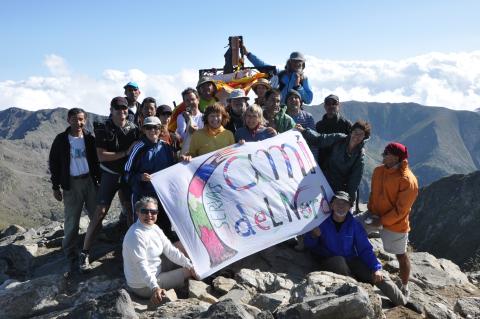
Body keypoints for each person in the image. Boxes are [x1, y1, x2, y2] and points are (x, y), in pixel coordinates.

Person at [304, 191, 408, 307]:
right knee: (339, 261)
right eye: (338, 203)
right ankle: (356, 289)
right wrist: (313, 236)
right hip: (328, 259)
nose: (341, 206)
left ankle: (404, 302)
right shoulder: (321, 222)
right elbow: (310, 246)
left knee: (379, 275)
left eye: (345, 204)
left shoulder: (354, 225)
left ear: (349, 207)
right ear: (332, 205)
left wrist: (376, 268)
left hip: (351, 259)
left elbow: (364, 249)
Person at [80, 97, 140, 271]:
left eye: (125, 108)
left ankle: (132, 251)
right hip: (110, 175)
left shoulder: (133, 128)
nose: (122, 111)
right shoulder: (103, 128)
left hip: (127, 176)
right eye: (118, 108)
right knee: (100, 212)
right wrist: (125, 152)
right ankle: (84, 252)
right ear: (111, 109)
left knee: (130, 211)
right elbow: (101, 156)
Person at [360, 142, 419, 300]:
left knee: (401, 255)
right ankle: (358, 267)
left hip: (395, 223)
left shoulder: (408, 180)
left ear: (395, 157)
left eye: (386, 153)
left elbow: (401, 210)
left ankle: (404, 287)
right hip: (373, 214)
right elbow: (374, 193)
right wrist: (371, 210)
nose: (383, 155)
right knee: (354, 230)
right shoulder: (379, 171)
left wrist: (381, 222)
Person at [48, 108, 101, 274]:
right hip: (71, 184)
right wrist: (56, 186)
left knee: (96, 214)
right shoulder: (61, 140)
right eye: (75, 119)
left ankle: (93, 245)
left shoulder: (90, 139)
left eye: (81, 119)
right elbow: (54, 164)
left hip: (90, 182)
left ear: (85, 120)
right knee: (72, 219)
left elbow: (98, 160)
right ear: (68, 120)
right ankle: (69, 251)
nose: (79, 123)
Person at [123, 197, 194, 305]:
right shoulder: (136, 235)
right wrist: (155, 288)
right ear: (137, 212)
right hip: (143, 285)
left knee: (181, 247)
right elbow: (141, 265)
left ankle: (191, 267)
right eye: (145, 211)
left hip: (156, 267)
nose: (149, 215)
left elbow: (170, 250)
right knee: (190, 272)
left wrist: (189, 264)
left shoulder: (154, 228)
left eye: (153, 212)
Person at [124, 116, 177, 241]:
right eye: (148, 127)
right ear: (144, 130)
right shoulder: (138, 148)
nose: (152, 130)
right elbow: (126, 173)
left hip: (162, 195)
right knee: (143, 229)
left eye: (156, 127)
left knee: (164, 226)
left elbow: (173, 168)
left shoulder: (166, 147)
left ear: (160, 129)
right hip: (142, 195)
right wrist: (139, 177)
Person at [296, 120, 370, 206]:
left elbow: (354, 180)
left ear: (364, 137)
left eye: (361, 134)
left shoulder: (360, 155)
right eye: (355, 132)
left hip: (339, 189)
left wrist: (350, 199)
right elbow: (320, 139)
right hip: (323, 179)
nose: (357, 136)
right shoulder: (339, 138)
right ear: (351, 131)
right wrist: (304, 131)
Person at [242, 44, 313, 105]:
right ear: (290, 62)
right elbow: (263, 66)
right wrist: (248, 54)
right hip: (278, 111)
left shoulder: (304, 79)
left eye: (299, 61)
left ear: (303, 64)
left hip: (294, 112)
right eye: (294, 61)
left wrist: (298, 86)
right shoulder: (281, 74)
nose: (297, 63)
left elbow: (308, 100)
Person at [315, 94, 352, 170]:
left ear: (338, 105)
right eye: (328, 103)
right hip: (322, 167)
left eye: (334, 103)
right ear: (325, 106)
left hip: (340, 169)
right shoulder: (319, 126)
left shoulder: (346, 124)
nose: (331, 106)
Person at [176, 88, 205, 155]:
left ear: (198, 100)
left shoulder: (204, 117)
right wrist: (188, 120)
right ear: (184, 103)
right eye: (187, 100)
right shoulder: (181, 117)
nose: (190, 102)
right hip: (188, 154)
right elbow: (183, 137)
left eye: (192, 99)